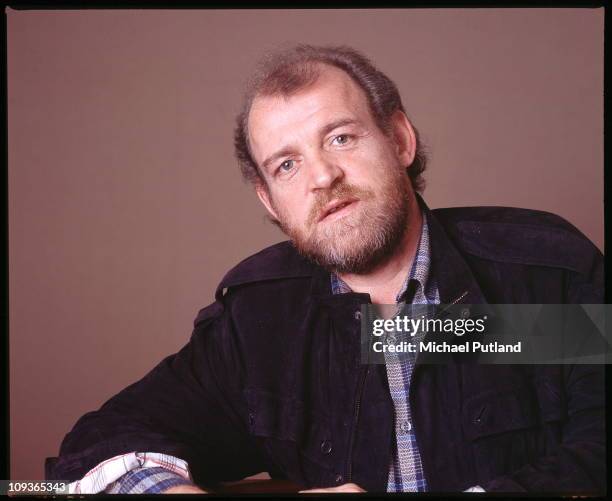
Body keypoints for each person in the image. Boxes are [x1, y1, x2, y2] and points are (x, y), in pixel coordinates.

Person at [46, 44, 605, 494]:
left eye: (340, 138)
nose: (321, 177)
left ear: (400, 140)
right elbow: (97, 444)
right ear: (270, 201)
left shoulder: (545, 276)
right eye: (287, 164)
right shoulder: (260, 320)